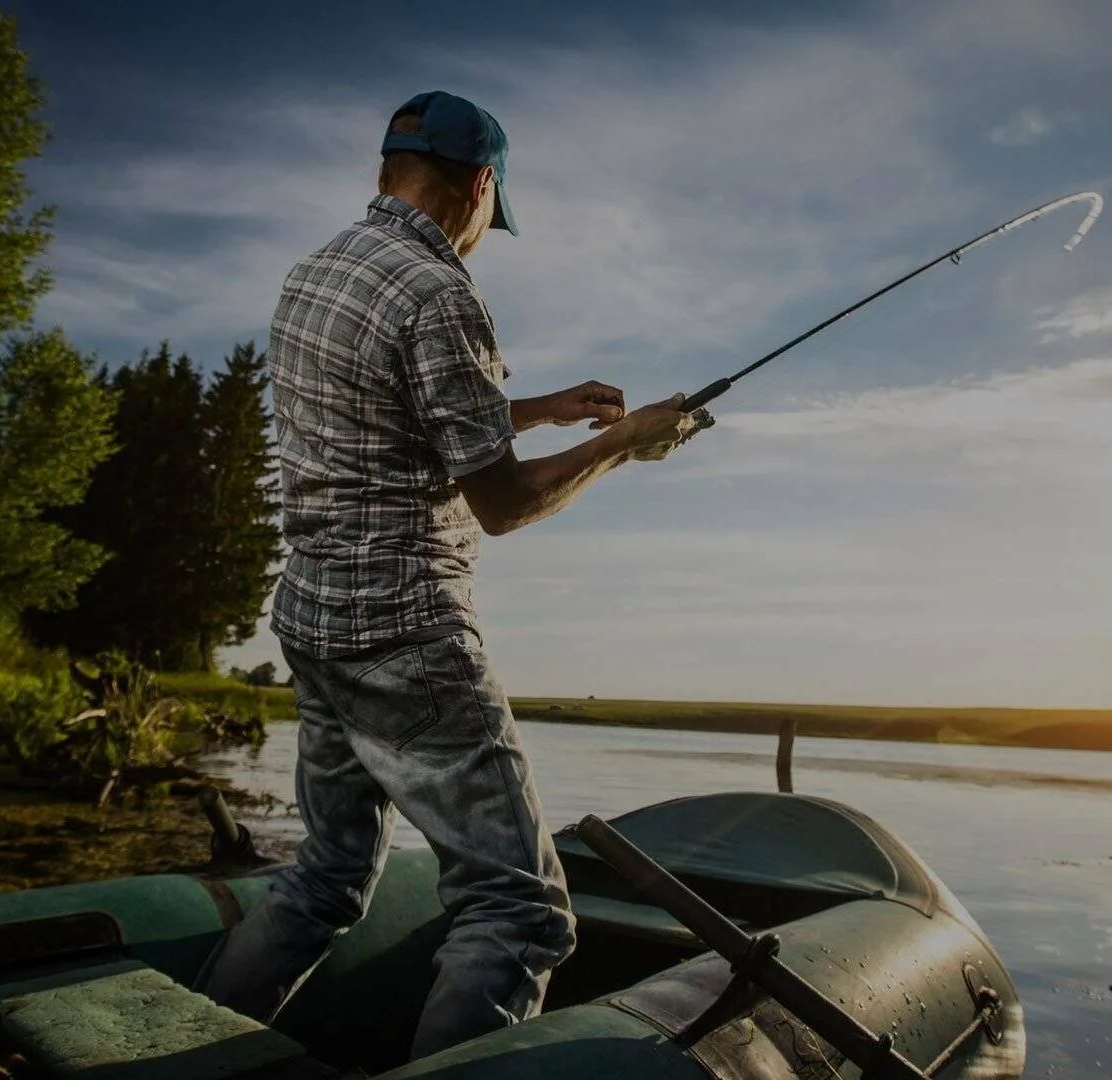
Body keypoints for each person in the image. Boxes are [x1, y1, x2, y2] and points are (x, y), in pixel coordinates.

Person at [194, 90, 695, 1057]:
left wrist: (542, 406)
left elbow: (390, 413)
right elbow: (499, 507)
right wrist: (626, 443)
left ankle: (171, 1062)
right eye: (488, 215)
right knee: (521, 912)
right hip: (408, 633)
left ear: (389, 172)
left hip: (312, 618)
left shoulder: (317, 274)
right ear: (479, 186)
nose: (482, 236)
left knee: (326, 879)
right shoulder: (439, 292)